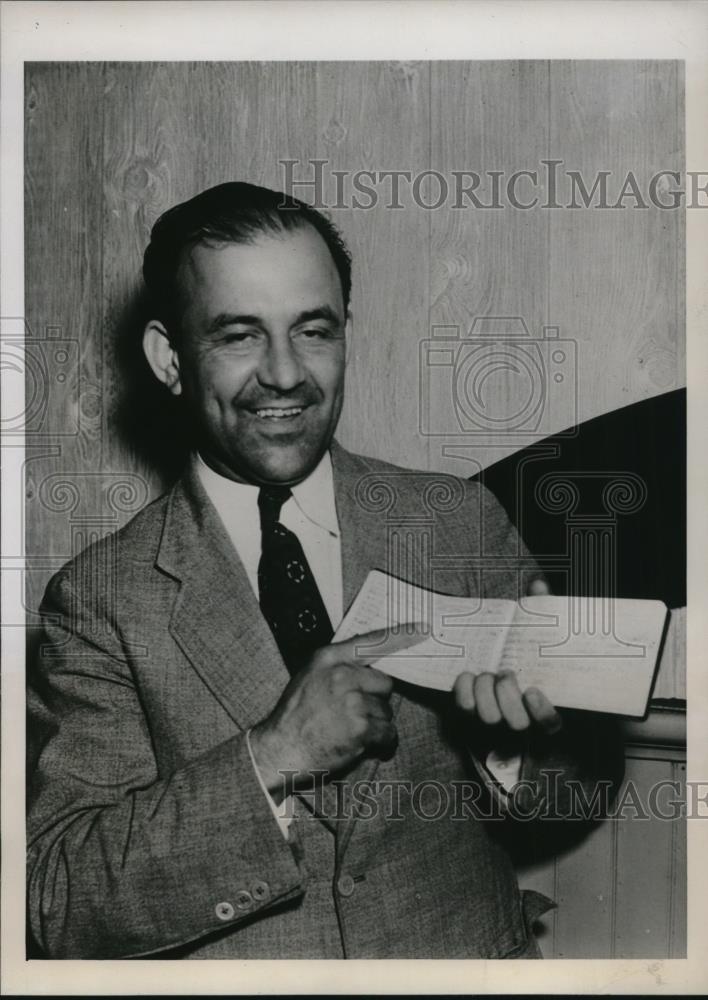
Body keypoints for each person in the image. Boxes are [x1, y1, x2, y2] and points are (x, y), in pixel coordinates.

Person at [27, 182, 620, 960]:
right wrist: (272, 755)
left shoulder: (454, 523)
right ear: (169, 359)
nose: (285, 374)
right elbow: (58, 900)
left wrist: (518, 746)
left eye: (313, 330)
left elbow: (576, 791)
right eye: (239, 336)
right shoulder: (101, 599)